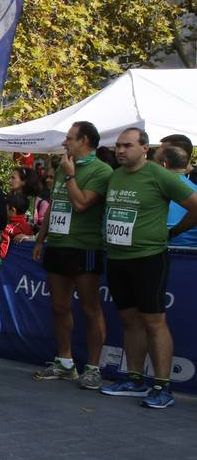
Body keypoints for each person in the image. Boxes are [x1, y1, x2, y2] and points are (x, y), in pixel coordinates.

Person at [98, 127, 197, 409]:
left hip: (149, 258)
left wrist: (173, 232)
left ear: (145, 149)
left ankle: (163, 387)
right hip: (117, 258)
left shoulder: (160, 175)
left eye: (127, 145)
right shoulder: (115, 175)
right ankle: (135, 379)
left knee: (154, 322)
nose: (120, 150)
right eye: (118, 145)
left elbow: (195, 206)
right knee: (129, 320)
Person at [32, 121, 111, 389]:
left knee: (90, 308)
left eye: (70, 138)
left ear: (85, 140)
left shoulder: (102, 170)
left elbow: (81, 204)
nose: (65, 143)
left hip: (85, 246)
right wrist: (41, 240)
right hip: (57, 244)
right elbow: (56, 206)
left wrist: (69, 176)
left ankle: (93, 367)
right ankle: (65, 362)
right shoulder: (65, 165)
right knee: (58, 306)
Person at [155, 145, 197, 248]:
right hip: (192, 250)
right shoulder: (194, 188)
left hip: (163, 248)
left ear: (163, 165)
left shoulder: (157, 189)